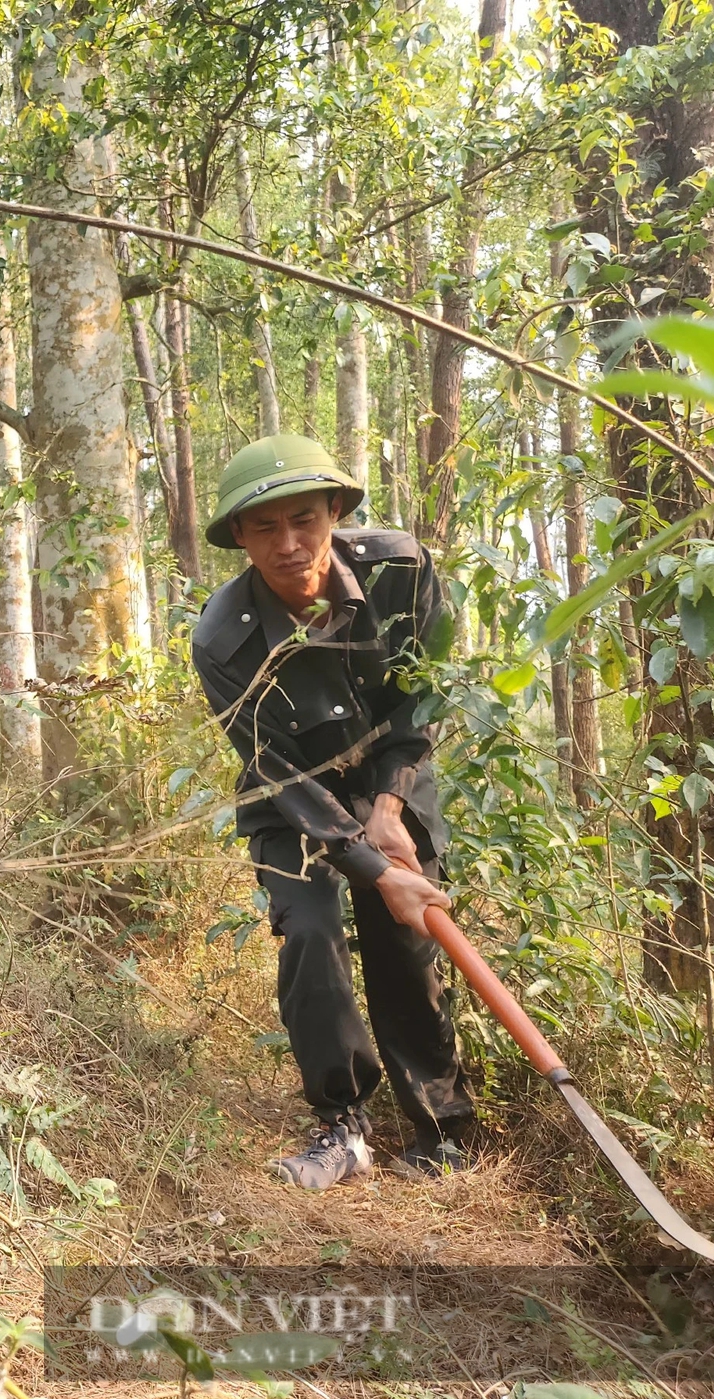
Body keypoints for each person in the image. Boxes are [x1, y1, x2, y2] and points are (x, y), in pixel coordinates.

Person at [190, 433, 477, 1190]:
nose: (289, 545)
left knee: (406, 946)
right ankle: (343, 1126)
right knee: (311, 936)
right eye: (265, 529)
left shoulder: (401, 569)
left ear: (337, 511)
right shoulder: (221, 640)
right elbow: (277, 773)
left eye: (306, 520)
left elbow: (425, 696)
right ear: (240, 539)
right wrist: (369, 861)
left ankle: (442, 1129)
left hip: (394, 777)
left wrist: (388, 808)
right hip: (293, 805)